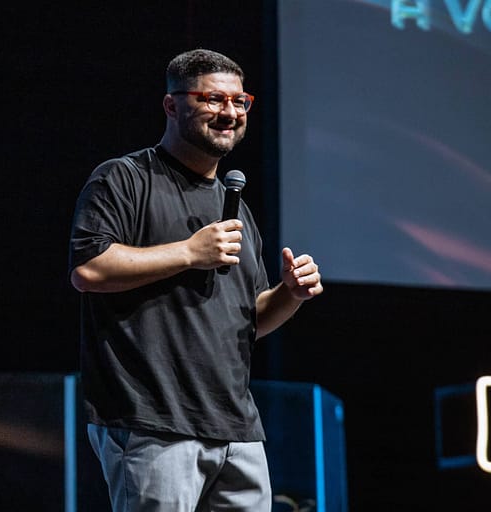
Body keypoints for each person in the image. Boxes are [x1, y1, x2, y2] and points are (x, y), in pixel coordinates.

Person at [68, 48, 323, 512]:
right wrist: (189, 252)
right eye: (212, 99)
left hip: (237, 431)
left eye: (239, 102)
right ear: (172, 105)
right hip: (153, 423)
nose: (229, 113)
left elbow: (250, 324)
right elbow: (89, 270)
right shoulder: (124, 179)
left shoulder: (238, 209)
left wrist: (290, 293)